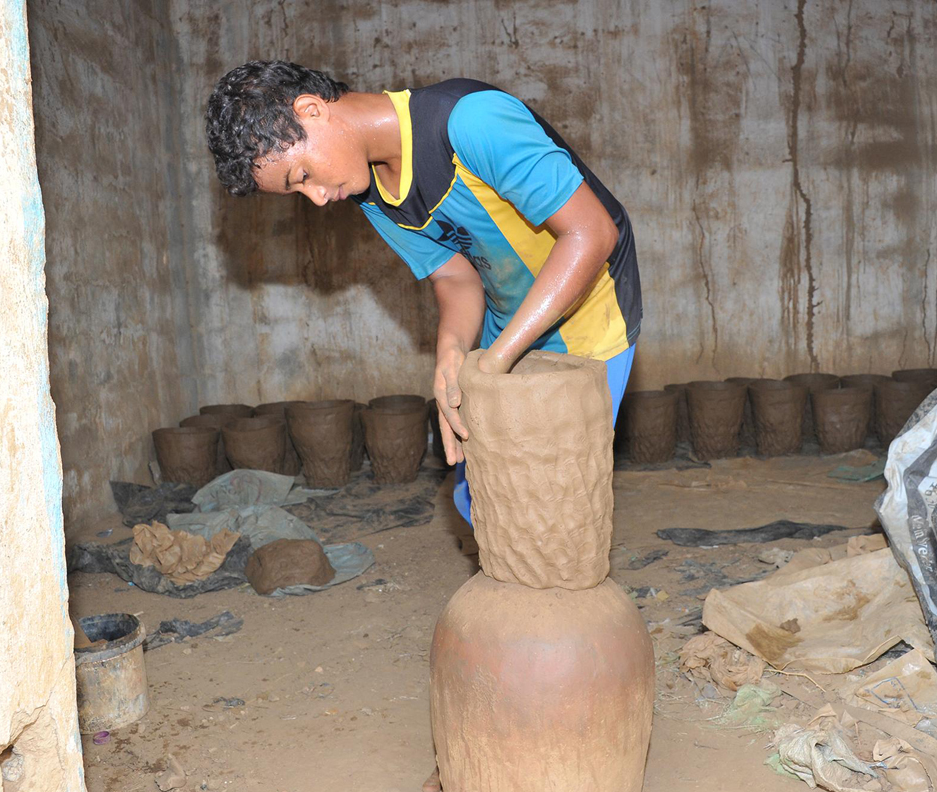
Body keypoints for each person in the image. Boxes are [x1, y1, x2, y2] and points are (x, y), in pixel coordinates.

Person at [206, 62, 641, 786]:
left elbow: (589, 233)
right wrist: (450, 361)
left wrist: (494, 362)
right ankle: (504, 726)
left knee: (552, 512)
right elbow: (455, 278)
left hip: (591, 313)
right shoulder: (374, 189)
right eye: (300, 192)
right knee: (477, 500)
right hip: (511, 320)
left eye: (303, 175)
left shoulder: (470, 124)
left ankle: (568, 731)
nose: (316, 199)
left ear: (313, 110)